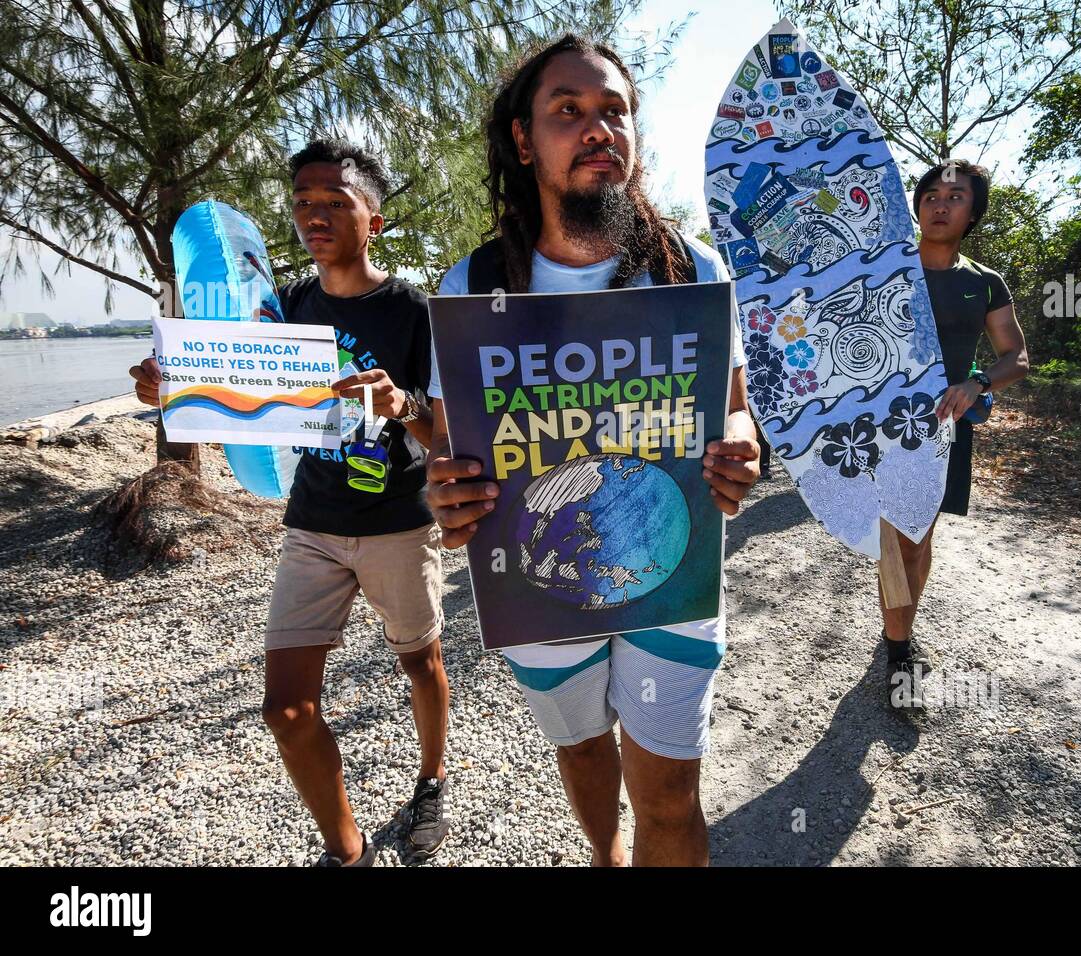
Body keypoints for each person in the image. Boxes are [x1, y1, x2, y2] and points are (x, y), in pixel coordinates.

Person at [425, 35, 760, 866]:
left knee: (672, 802)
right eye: (568, 111)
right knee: (581, 753)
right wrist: (444, 488)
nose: (597, 128)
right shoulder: (472, 288)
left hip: (671, 579)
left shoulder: (692, 270)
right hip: (539, 590)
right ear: (523, 139)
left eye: (614, 110)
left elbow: (738, 412)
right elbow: (444, 438)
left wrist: (741, 452)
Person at [129, 139, 451, 866]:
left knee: (420, 663)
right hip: (312, 524)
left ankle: (432, 778)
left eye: (336, 201)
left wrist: (401, 403)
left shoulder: (414, 312)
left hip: (399, 523)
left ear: (374, 221)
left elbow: (447, 435)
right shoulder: (286, 307)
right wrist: (168, 387)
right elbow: (235, 386)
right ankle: (349, 852)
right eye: (304, 202)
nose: (316, 215)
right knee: (285, 709)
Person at [882, 159, 1030, 709]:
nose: (940, 204)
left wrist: (978, 381)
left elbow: (1017, 356)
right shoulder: (884, 270)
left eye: (956, 197)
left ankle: (899, 630)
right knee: (896, 539)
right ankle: (900, 652)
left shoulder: (983, 282)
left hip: (944, 429)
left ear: (973, 213)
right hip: (878, 430)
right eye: (931, 194)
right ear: (917, 204)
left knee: (918, 542)